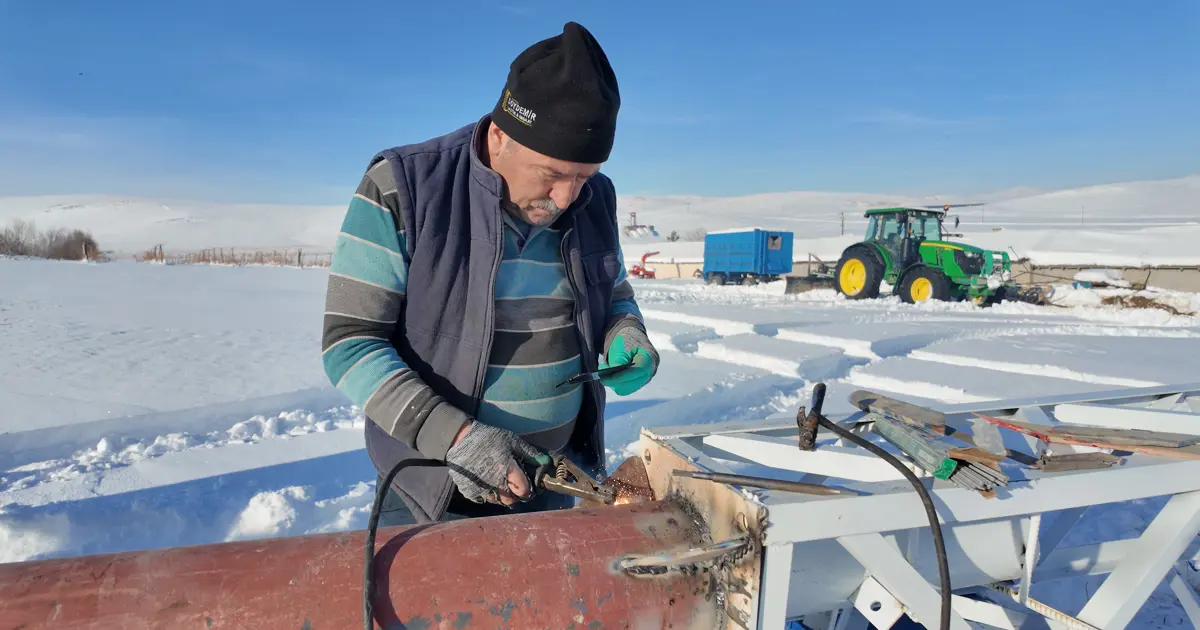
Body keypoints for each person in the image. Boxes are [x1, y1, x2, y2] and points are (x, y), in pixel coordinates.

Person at [320, 21, 658, 525]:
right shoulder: (403, 187)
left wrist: (625, 327)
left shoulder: (594, 198)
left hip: (554, 478)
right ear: (500, 136)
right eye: (552, 174)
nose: (567, 197)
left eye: (584, 176)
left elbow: (611, 290)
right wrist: (457, 437)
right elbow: (350, 344)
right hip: (434, 490)